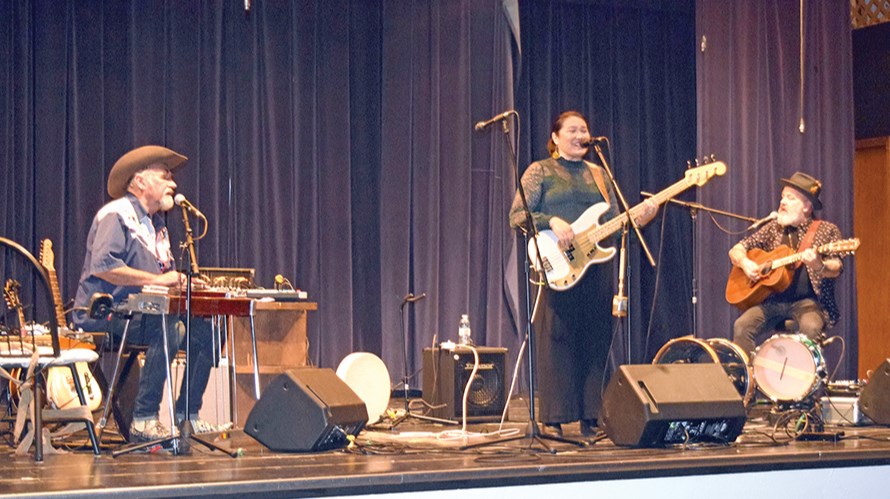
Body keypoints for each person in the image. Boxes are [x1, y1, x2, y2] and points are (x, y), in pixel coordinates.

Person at [509, 111, 657, 437]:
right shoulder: (541, 171)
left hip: (596, 266)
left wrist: (639, 218)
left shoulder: (598, 173)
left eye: (584, 130)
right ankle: (555, 418)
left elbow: (615, 226)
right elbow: (518, 215)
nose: (580, 135)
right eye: (573, 130)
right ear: (556, 137)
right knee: (558, 339)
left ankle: (592, 416)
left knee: (596, 340)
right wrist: (551, 220)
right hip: (560, 263)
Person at [72, 145, 222, 443]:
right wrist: (159, 279)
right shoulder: (116, 214)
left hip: (142, 313)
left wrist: (183, 284)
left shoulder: (156, 227)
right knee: (169, 328)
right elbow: (104, 266)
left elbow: (161, 282)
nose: (174, 183)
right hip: (105, 314)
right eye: (165, 175)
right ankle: (144, 418)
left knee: (209, 331)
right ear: (140, 180)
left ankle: (187, 416)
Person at [729, 171, 844, 357]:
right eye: (782, 197)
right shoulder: (773, 229)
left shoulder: (826, 230)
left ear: (807, 206)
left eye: (790, 198)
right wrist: (745, 263)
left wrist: (819, 265)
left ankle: (802, 381)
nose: (782, 202)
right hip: (773, 301)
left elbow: (836, 267)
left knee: (811, 327)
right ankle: (750, 378)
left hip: (808, 303)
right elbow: (736, 250)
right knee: (742, 326)